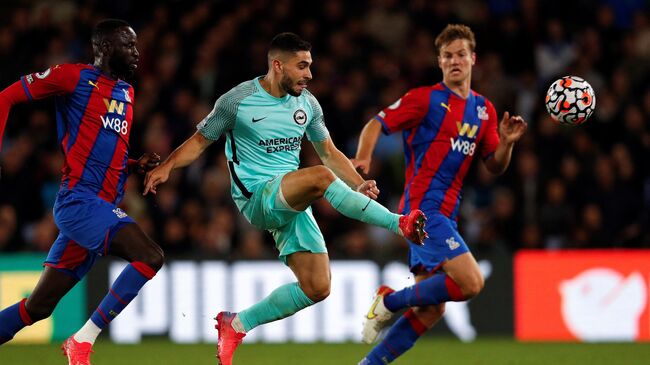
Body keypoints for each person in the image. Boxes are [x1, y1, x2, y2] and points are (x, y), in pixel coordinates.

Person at [143, 32, 426, 365]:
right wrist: (168, 166)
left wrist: (359, 183)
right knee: (320, 177)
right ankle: (400, 223)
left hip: (290, 198)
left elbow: (329, 153)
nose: (309, 74)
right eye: (302, 66)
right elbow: (199, 142)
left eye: (310, 66)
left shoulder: (307, 104)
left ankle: (235, 324)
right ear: (278, 65)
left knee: (317, 287)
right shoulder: (237, 101)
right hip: (257, 196)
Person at [352, 24, 527, 364]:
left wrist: (505, 143)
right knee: (472, 282)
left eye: (461, 54)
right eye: (447, 56)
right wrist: (363, 156)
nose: (455, 61)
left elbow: (494, 166)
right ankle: (388, 301)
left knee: (431, 310)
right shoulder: (425, 99)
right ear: (440, 62)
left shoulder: (484, 110)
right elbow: (377, 123)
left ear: (473, 59)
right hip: (423, 209)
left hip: (447, 212)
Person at [0, 19, 164, 365]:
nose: (137, 53)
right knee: (150, 256)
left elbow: (104, 149)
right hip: (78, 202)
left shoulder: (127, 92)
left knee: (38, 307)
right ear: (104, 48)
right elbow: (6, 97)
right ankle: (82, 342)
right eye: (129, 45)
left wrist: (135, 164)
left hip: (99, 207)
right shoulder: (71, 77)